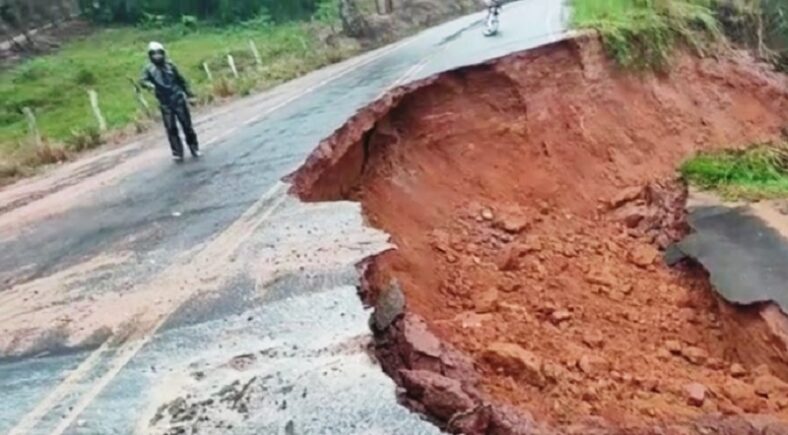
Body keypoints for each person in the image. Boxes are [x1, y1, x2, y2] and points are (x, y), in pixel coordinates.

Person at [140, 42, 200, 161]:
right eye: (154, 54)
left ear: (163, 53)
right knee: (171, 128)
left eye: (159, 53)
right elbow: (142, 81)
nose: (157, 56)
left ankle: (194, 147)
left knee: (187, 125)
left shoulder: (171, 66)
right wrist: (150, 85)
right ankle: (177, 152)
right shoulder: (148, 69)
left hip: (178, 99)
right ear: (150, 55)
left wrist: (190, 95)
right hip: (164, 102)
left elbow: (182, 81)